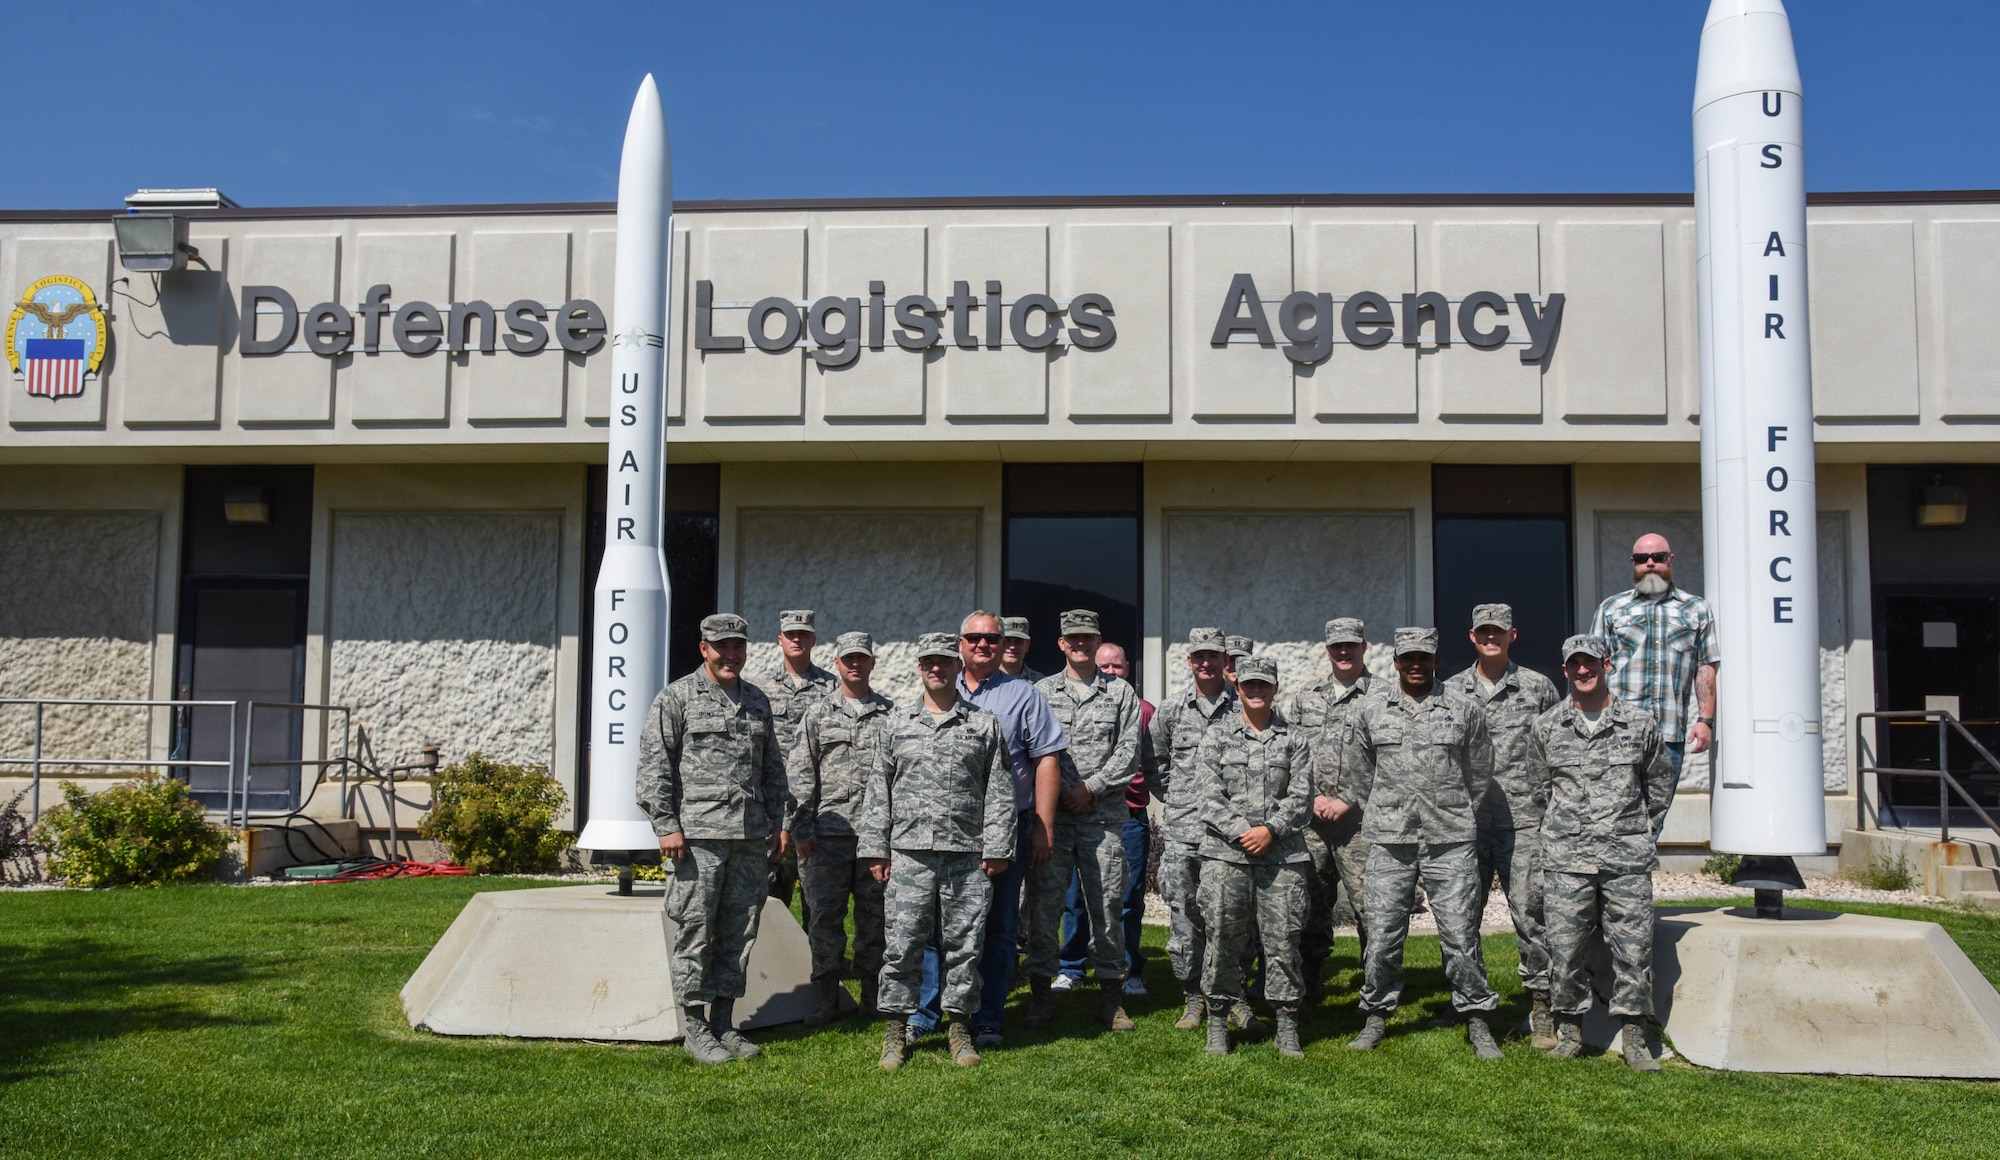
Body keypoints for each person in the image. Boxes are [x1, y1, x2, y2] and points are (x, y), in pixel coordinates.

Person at [634, 612, 791, 1065]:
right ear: (703, 648)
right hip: (696, 839)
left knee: (739, 931)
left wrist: (779, 824)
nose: (730, 655)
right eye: (721, 647)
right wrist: (666, 825)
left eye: (738, 647)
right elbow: (653, 769)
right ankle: (695, 1027)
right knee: (696, 930)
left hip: (748, 837)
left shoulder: (757, 702)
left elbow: (773, 771)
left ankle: (724, 1021)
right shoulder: (677, 698)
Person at [907, 610, 1066, 1050]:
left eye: (992, 639)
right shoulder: (937, 687)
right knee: (937, 925)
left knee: (997, 926)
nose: (983, 645)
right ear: (960, 644)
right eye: (974, 638)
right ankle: (927, 1011)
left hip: (1005, 827)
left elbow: (1046, 759)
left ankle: (987, 1018)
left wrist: (1042, 825)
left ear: (1001, 644)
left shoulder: (1025, 696)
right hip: (945, 829)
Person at [1343, 627, 1503, 1059]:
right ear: (1395, 661)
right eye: (1408, 658)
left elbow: (1480, 770)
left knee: (1460, 933)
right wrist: (1385, 808)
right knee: (1381, 935)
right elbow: (1360, 774)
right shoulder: (1370, 711)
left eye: (1424, 658)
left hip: (1449, 838)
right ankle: (1376, 1014)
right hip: (1390, 839)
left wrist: (1453, 810)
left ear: (1435, 660)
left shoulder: (1463, 708)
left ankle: (1475, 1018)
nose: (1416, 665)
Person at [862, 632, 1016, 1070]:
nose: (937, 668)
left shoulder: (983, 724)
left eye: (945, 662)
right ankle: (896, 1030)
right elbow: (879, 789)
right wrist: (876, 848)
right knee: (903, 943)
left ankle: (959, 1027)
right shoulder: (894, 723)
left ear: (957, 666)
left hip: (967, 855)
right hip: (909, 852)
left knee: (965, 946)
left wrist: (998, 846)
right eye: (929, 661)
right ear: (919, 667)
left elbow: (999, 791)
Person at [1526, 634, 1676, 1071]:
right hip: (1567, 860)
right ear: (1565, 670)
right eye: (1574, 664)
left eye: (1590, 663)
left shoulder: (1639, 724)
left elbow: (1660, 784)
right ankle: (1570, 1030)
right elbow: (1540, 790)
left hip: (1625, 859)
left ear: (1606, 665)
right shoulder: (1547, 727)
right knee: (1565, 947)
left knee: (1633, 949)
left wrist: (1640, 833)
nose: (1582, 671)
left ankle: (1634, 1036)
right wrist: (1562, 831)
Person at [1442, 603, 1561, 1047]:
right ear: (1472, 637)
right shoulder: (1451, 691)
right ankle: (1469, 1006)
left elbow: (1555, 748)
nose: (1492, 637)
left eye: (1500, 631)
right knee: (1461, 918)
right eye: (1484, 632)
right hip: (1465, 823)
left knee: (1531, 914)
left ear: (1514, 635)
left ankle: (1542, 1007)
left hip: (1523, 820)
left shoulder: (1538, 688)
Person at [1024, 610, 1142, 1033]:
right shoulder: (1039, 691)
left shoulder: (1121, 692)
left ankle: (1111, 999)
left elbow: (1129, 751)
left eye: (1088, 637)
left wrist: (1089, 787)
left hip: (1103, 820)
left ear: (1097, 640)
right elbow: (1032, 750)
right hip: (1050, 821)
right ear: (1060, 643)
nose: (1081, 644)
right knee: (1043, 908)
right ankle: (1040, 997)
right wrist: (1061, 794)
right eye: (1073, 638)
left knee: (1107, 908)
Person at [1194, 655, 1314, 1058]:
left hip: (1282, 859)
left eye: (1264, 684)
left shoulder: (1294, 738)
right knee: (1223, 939)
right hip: (1226, 857)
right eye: (1249, 685)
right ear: (1238, 688)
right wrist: (1244, 833)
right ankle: (1217, 1020)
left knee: (1283, 941)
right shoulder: (1217, 736)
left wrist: (1271, 830)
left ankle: (1287, 1025)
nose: (1257, 691)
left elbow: (1302, 797)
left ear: (1276, 687)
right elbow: (1208, 797)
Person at [1150, 627, 1261, 1035]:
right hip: (1183, 833)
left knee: (1235, 921)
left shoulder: (1244, 706)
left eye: (1213, 655)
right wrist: (1182, 802)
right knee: (1186, 919)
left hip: (1231, 836)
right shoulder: (1172, 709)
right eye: (1198, 656)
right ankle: (1193, 997)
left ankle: (1235, 996)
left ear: (1223, 658)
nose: (1206, 662)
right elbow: (1155, 764)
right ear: (1189, 660)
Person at [789, 631, 895, 1025]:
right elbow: (801, 775)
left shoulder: (890, 714)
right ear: (836, 663)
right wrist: (801, 829)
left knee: (875, 918)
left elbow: (897, 780)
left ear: (872, 663)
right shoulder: (817, 714)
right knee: (824, 919)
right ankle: (827, 997)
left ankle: (871, 996)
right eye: (848, 658)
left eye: (861, 658)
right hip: (826, 838)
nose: (855, 664)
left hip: (873, 839)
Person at [1280, 616, 1379, 1003]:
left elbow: (1386, 761)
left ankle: (1376, 988)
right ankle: (1310, 982)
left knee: (1370, 909)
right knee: (1309, 905)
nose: (1344, 652)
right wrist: (1313, 797)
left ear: (1363, 647)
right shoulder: (1306, 697)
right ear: (1327, 650)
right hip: (1313, 823)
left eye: (1351, 645)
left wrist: (1349, 798)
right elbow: (1293, 756)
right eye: (1336, 646)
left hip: (1362, 826)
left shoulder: (1383, 697)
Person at [1054, 640, 1156, 997]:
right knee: (1074, 900)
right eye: (1106, 666)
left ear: (1127, 668)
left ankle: (1125, 971)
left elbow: (1140, 759)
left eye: (1118, 666)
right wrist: (1070, 790)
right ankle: (1071, 966)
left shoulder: (1140, 707)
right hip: (1065, 812)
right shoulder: (1050, 692)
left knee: (1122, 899)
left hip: (1122, 816)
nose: (1112, 671)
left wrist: (1089, 790)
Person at [1590, 533, 1719, 780]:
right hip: (1617, 732)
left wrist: (1705, 721)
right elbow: (1592, 669)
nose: (1649, 563)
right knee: (1615, 813)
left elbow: (1705, 666)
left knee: (1657, 815)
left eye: (1657, 557)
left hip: (1668, 734)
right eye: (1641, 558)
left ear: (1670, 560)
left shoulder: (1696, 609)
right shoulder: (1611, 608)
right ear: (1633, 562)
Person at [758, 610, 838, 908]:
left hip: (813, 807)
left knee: (816, 897)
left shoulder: (831, 688)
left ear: (813, 640)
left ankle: (812, 955)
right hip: (773, 804)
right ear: (780, 639)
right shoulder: (761, 688)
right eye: (791, 634)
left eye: (803, 634)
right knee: (768, 892)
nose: (797, 639)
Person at [1000, 616, 1047, 683]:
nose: (1012, 647)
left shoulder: (1040, 683)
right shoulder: (985, 679)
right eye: (1007, 641)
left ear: (1027, 646)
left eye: (1018, 642)